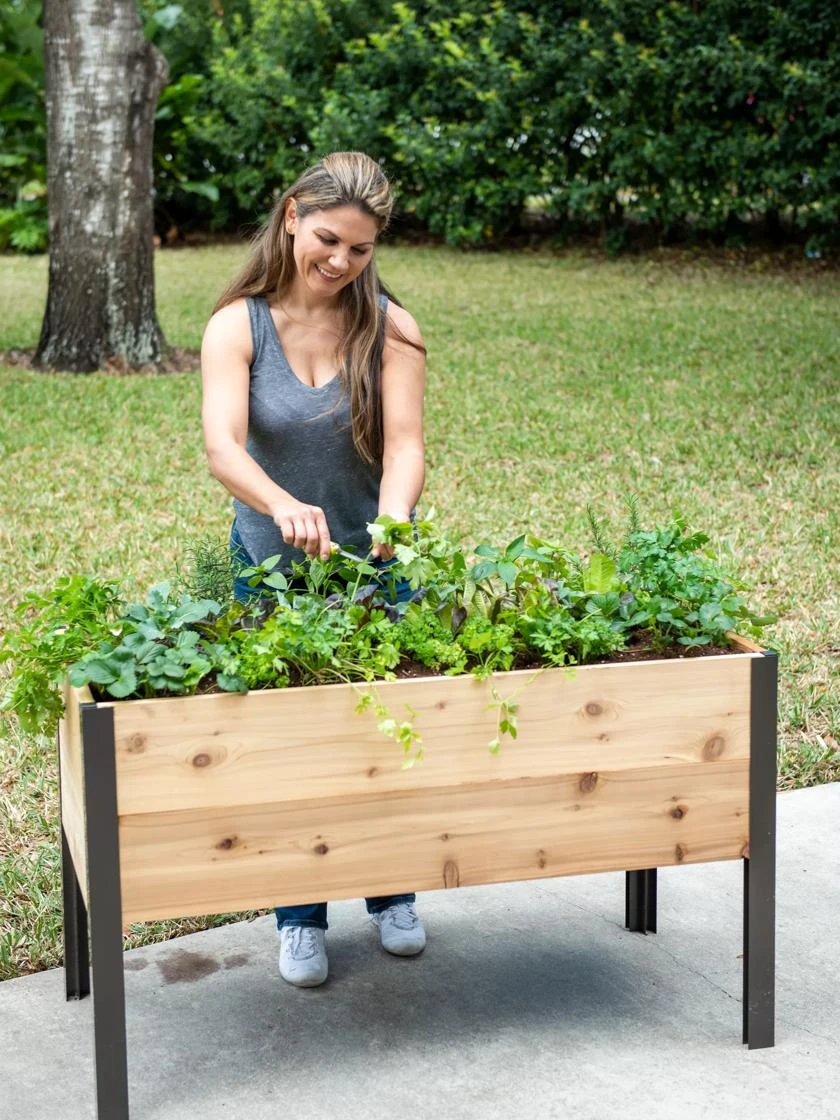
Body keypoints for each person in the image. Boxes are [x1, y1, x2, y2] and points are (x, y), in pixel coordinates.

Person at [200, 152, 427, 988]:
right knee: (293, 745)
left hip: (374, 565)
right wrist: (282, 503)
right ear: (293, 213)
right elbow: (223, 447)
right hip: (269, 566)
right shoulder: (238, 324)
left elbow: (404, 446)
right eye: (329, 239)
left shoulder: (391, 326)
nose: (341, 262)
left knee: (387, 734)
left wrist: (394, 520)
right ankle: (298, 917)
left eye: (361, 250)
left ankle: (392, 894)